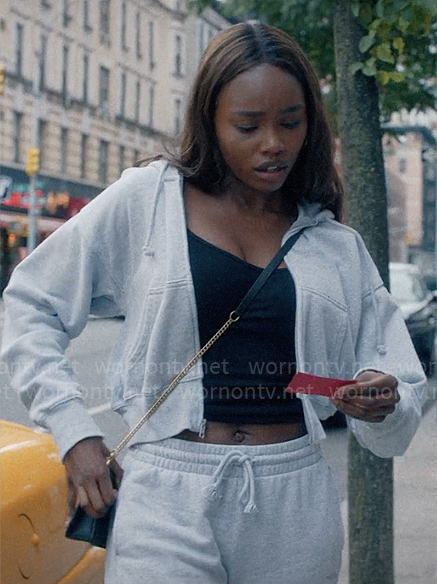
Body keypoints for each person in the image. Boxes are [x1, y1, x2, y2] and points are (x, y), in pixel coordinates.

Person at [1, 22, 426, 584]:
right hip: (166, 495)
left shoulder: (335, 245)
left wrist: (380, 393)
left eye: (290, 122)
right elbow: (30, 302)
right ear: (211, 122)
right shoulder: (149, 200)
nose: (272, 142)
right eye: (247, 125)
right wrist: (74, 430)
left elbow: (396, 369)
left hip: (293, 500)